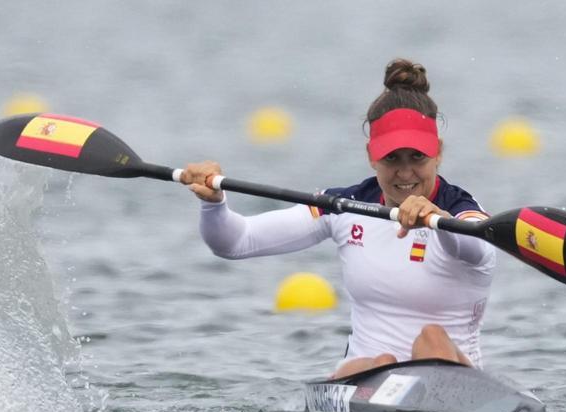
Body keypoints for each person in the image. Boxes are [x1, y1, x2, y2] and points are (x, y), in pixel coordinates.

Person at [179, 58, 496, 379]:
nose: (404, 171)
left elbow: (476, 247)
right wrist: (214, 204)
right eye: (391, 158)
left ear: (438, 152)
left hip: (454, 391)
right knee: (378, 362)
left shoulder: (462, 210)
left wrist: (438, 221)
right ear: (371, 156)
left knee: (432, 337)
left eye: (417, 157)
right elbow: (235, 241)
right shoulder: (346, 205)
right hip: (368, 386)